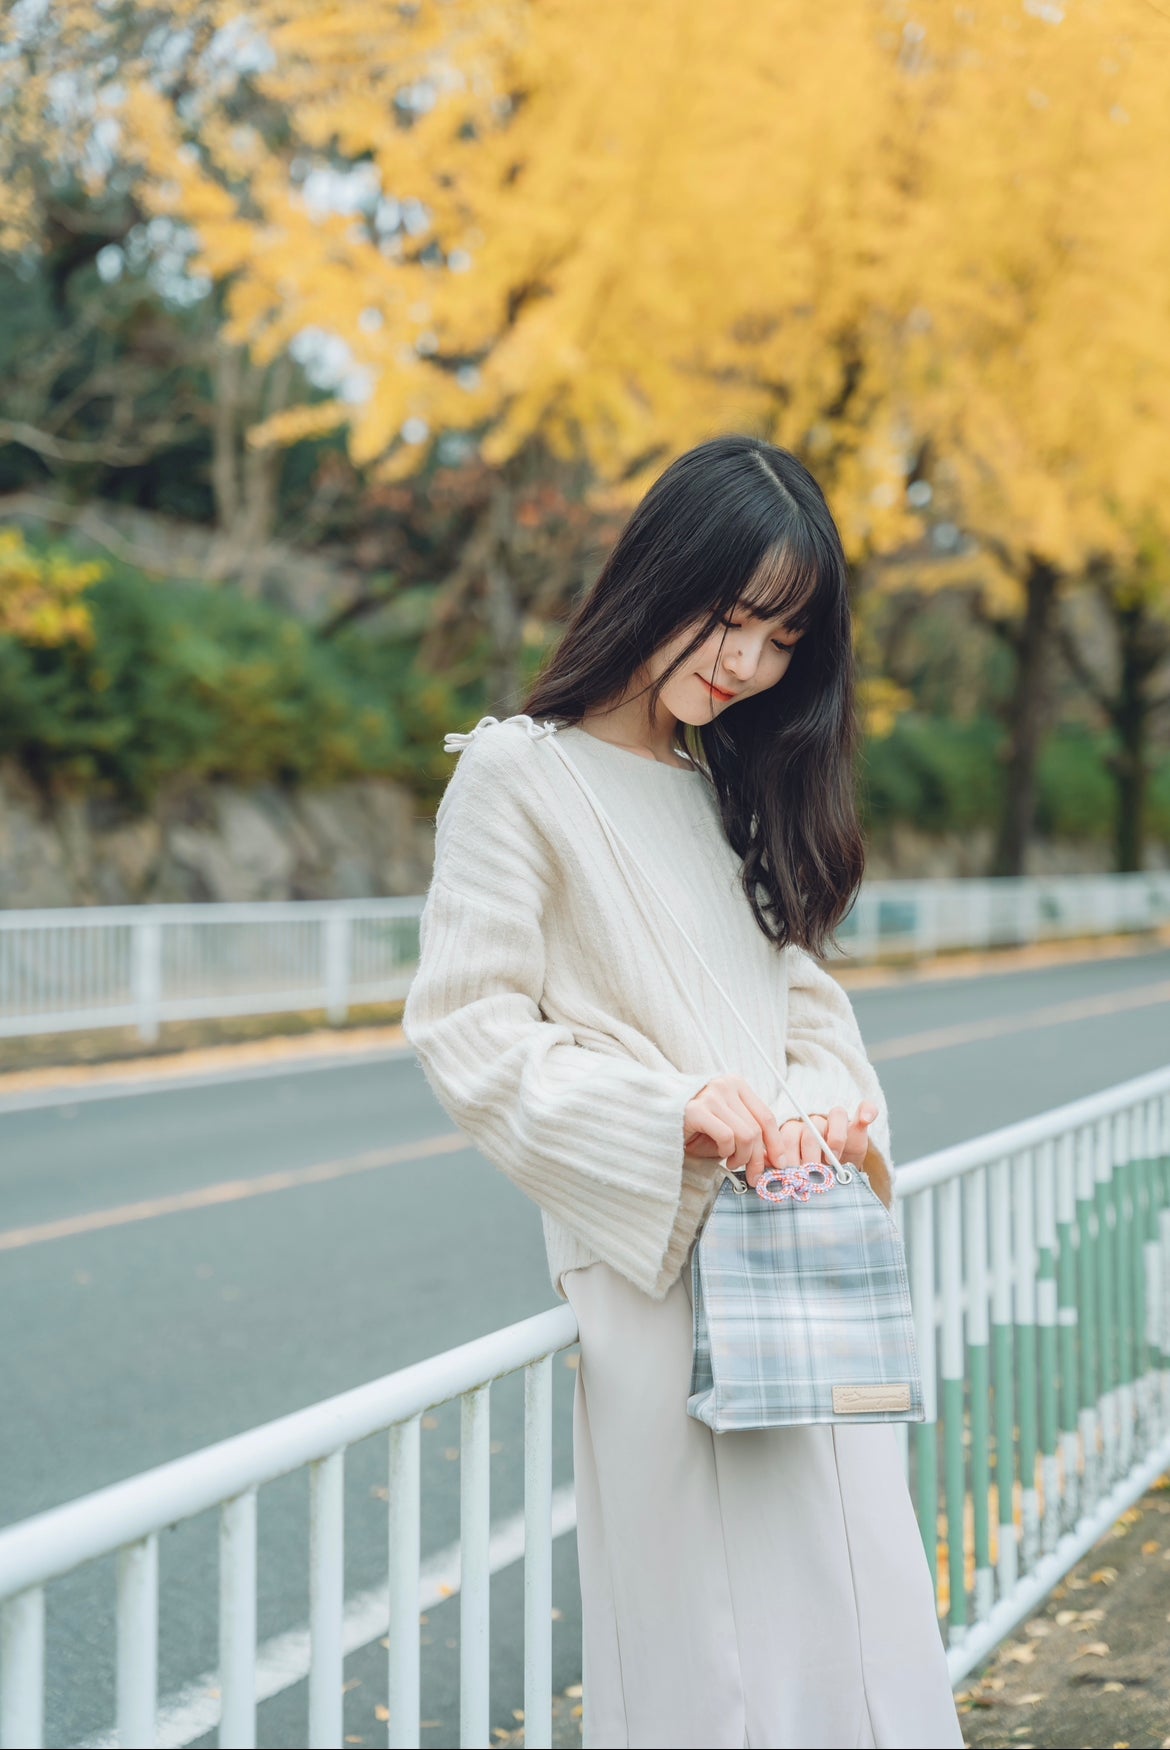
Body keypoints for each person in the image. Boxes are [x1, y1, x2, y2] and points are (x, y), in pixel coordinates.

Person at [403, 435, 962, 1749]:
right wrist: (670, 1115)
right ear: (659, 575)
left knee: (860, 1605)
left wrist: (828, 1111)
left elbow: (806, 1005)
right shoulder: (515, 774)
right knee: (712, 1649)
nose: (748, 663)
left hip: (799, 1245)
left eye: (780, 637)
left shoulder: (725, 779)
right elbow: (467, 1028)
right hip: (663, 1273)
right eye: (732, 618)